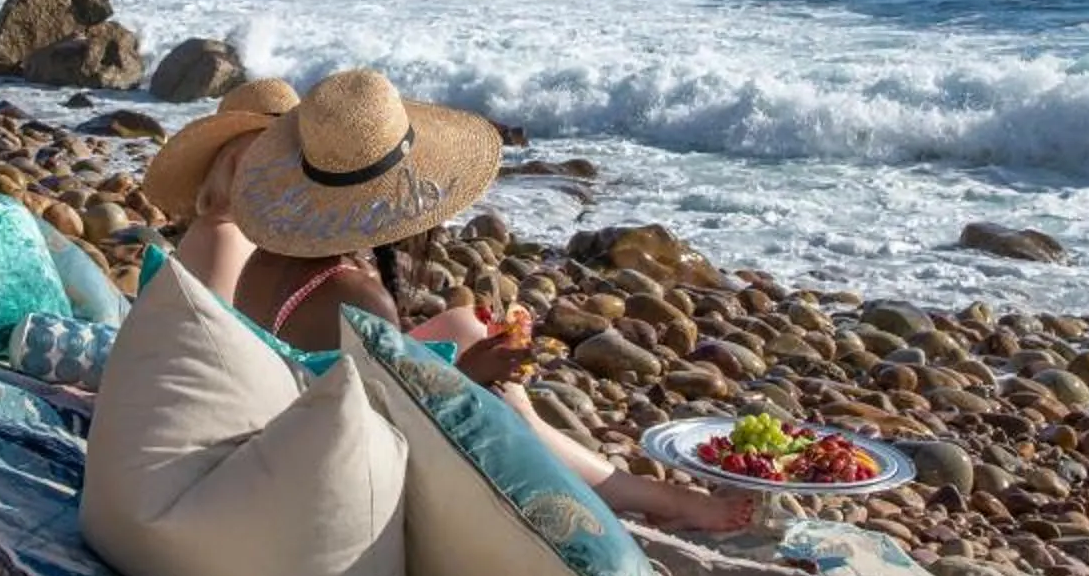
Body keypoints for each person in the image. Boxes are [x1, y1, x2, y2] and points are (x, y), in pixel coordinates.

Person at [231, 68, 750, 535]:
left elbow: (342, 373)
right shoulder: (354, 291)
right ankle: (650, 496)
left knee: (463, 324)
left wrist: (462, 354)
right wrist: (469, 377)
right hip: (329, 457)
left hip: (300, 407)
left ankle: (636, 489)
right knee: (502, 402)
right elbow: (376, 425)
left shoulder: (270, 259)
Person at [138, 77, 301, 303]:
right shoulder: (223, 235)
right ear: (231, 161)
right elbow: (222, 332)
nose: (281, 168)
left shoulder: (250, 232)